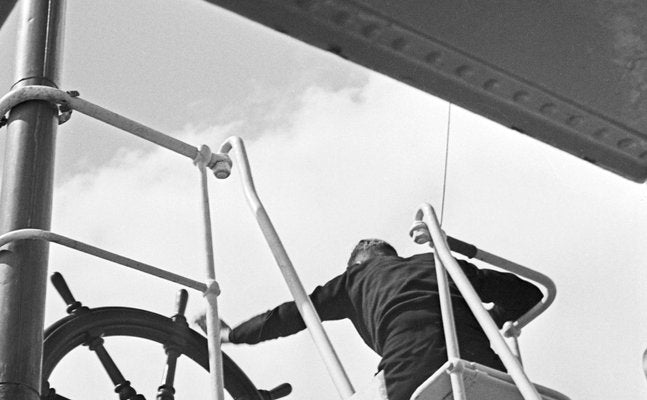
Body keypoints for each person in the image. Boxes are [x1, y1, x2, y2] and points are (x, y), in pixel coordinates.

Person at [210, 239, 543, 400]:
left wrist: (232, 335)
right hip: (491, 374)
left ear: (355, 265)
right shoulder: (438, 262)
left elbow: (293, 314)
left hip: (411, 379)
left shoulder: (353, 281)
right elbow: (527, 295)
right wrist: (489, 319)